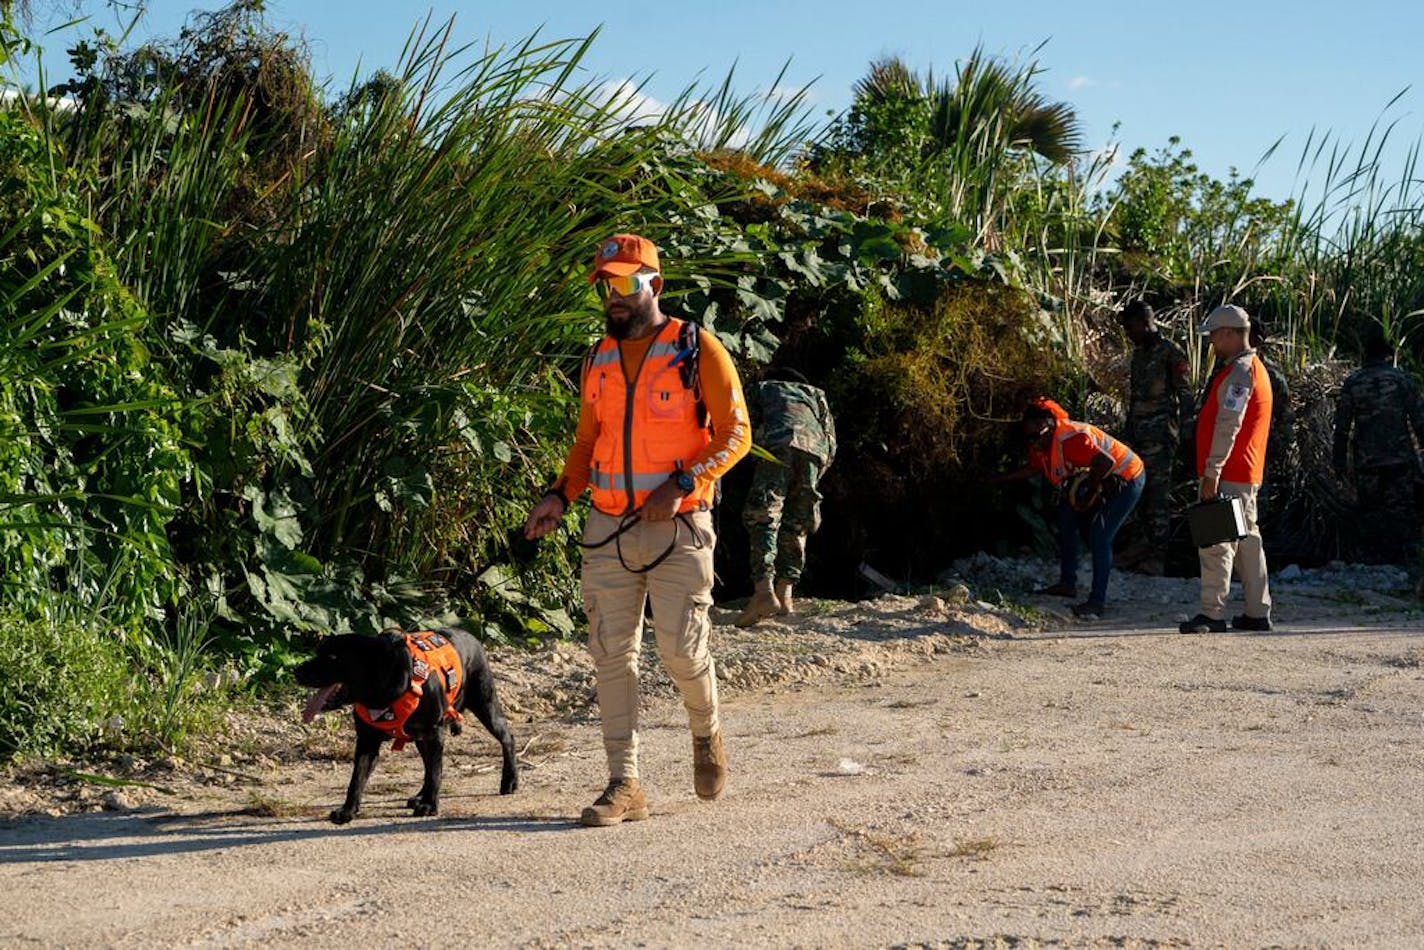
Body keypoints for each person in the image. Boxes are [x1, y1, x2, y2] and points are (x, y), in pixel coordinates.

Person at [522, 233, 750, 827]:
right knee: (610, 655)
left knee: (678, 648)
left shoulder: (698, 348)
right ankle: (625, 784)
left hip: (680, 528)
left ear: (655, 284)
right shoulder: (597, 357)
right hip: (607, 529)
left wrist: (680, 484)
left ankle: (707, 731)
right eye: (606, 286)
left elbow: (736, 434)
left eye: (626, 283)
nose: (614, 297)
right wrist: (558, 496)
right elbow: (586, 444)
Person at [991, 397, 1146, 619]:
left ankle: (1096, 601)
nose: (1033, 443)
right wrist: (998, 479)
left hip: (1127, 478)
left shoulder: (1072, 439)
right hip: (1102, 479)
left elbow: (1106, 462)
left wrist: (1091, 492)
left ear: (1049, 426)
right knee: (1066, 519)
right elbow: (1032, 468)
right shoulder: (1042, 443)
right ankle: (1067, 583)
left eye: (1035, 437)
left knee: (1100, 535)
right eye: (1029, 438)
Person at [1179, 304, 1274, 634]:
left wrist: (1212, 471)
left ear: (1232, 334)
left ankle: (1212, 614)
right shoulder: (1252, 368)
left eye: (1215, 336)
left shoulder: (1240, 373)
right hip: (1244, 472)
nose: (1212, 343)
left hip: (1230, 471)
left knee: (1217, 541)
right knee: (1248, 541)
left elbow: (1227, 425)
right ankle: (1256, 612)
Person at [735, 367, 837, 627]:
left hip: (776, 446)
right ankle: (786, 594)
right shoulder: (817, 395)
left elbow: (743, 426)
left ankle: (763, 591)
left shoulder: (762, 388)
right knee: (798, 521)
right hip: (815, 452)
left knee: (764, 516)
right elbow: (831, 441)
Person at [1331, 330, 1424, 565]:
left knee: (1371, 510)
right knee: (1400, 510)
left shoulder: (1354, 382)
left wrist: (1339, 462)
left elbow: (1342, 427)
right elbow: (1419, 420)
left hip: (1367, 459)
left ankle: (1373, 559)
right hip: (1399, 457)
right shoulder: (1402, 380)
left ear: (1366, 355)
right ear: (1387, 355)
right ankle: (1402, 558)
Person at [1118, 301, 1194, 575]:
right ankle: (1140, 548)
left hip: (1160, 437)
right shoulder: (1139, 354)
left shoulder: (1170, 352)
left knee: (1158, 497)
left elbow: (1185, 394)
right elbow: (1135, 397)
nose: (1128, 333)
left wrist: (1187, 433)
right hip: (1138, 434)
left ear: (1144, 322)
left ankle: (1157, 558)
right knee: (1138, 493)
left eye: (1130, 327)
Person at [1250, 321, 1295, 525]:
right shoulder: (1226, 367)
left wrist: (1279, 444)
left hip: (1257, 448)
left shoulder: (1271, 374)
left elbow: (1285, 414)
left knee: (1256, 502)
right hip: (1227, 449)